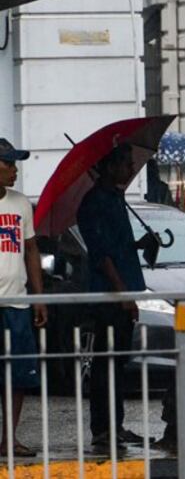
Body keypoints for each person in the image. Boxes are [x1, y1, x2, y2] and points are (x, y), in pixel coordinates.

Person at [77, 143, 153, 449]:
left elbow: (119, 246)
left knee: (118, 362)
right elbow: (102, 254)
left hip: (124, 290)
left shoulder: (116, 199)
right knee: (106, 363)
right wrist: (123, 294)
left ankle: (116, 425)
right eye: (126, 164)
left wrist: (141, 244)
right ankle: (103, 428)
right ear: (109, 167)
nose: (131, 169)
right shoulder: (94, 203)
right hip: (109, 296)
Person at [0, 138, 47, 458]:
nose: (15, 170)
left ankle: (9, 439)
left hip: (16, 302)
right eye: (8, 164)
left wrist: (39, 297)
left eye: (15, 164)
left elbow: (31, 250)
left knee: (17, 376)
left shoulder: (20, 204)